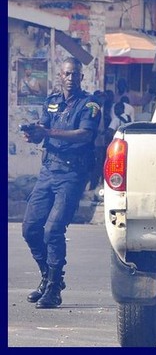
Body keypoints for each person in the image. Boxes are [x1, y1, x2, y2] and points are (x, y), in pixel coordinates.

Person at [20, 57, 101, 309]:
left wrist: (47, 133)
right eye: (66, 74)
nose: (71, 78)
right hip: (48, 172)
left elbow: (84, 135)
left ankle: (54, 290)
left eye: (75, 74)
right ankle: (49, 276)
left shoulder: (90, 104)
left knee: (53, 230)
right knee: (30, 228)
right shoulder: (51, 103)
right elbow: (43, 129)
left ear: (81, 77)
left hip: (71, 175)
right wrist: (34, 134)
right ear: (59, 76)